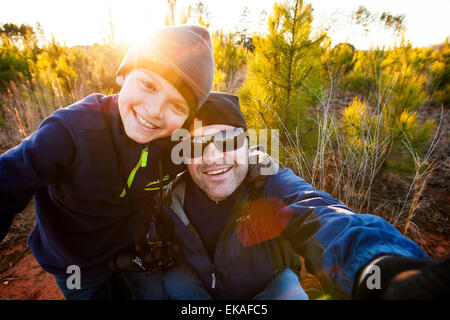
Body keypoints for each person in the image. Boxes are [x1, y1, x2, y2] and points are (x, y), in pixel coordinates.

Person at [161, 92, 449, 300]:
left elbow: (318, 211)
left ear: (247, 144)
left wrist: (381, 270)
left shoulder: (270, 183)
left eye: (227, 139)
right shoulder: (171, 196)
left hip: (265, 290)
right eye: (196, 145)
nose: (212, 157)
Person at [0, 25, 215, 300]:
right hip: (74, 263)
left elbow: (229, 153)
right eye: (148, 85)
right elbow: (6, 183)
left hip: (135, 251)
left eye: (176, 105)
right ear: (123, 74)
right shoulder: (71, 132)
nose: (154, 111)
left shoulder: (176, 142)